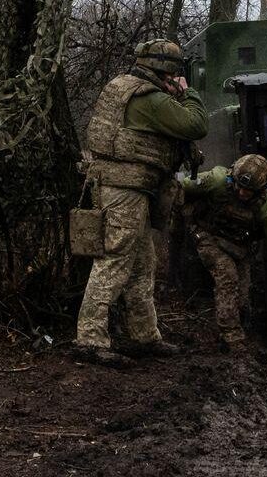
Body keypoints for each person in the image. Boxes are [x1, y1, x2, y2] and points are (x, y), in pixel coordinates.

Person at [72, 39, 206, 367]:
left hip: (129, 188)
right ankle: (89, 339)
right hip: (124, 190)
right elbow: (196, 125)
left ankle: (144, 335)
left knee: (143, 263)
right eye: (173, 73)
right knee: (114, 259)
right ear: (166, 71)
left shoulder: (126, 86)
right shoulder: (150, 99)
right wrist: (188, 93)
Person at [179, 154, 267, 352]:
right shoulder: (217, 180)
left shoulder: (266, 207)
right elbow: (183, 185)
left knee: (241, 296)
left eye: (248, 191)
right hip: (207, 236)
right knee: (227, 275)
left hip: (238, 246)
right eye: (239, 186)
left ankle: (236, 329)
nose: (241, 193)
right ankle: (233, 339)